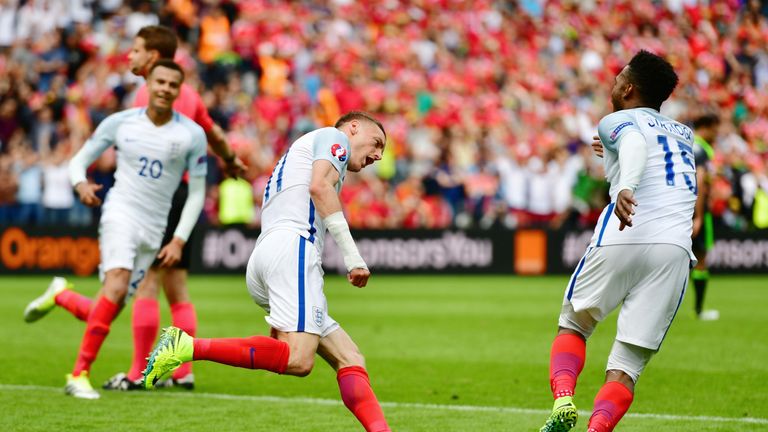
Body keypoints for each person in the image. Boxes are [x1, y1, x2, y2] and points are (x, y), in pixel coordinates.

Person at [142, 112, 391, 432]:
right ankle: (188, 347)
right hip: (292, 249)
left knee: (350, 358)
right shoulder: (335, 137)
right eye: (376, 143)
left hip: (267, 255)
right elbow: (319, 188)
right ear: (354, 128)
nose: (379, 155)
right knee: (299, 361)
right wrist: (353, 257)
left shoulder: (301, 151)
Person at [22, 60, 207, 399]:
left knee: (109, 304)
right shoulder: (120, 123)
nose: (165, 88)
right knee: (119, 283)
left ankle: (60, 294)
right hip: (120, 213)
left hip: (155, 230)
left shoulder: (191, 135)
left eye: (172, 84)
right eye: (160, 82)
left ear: (179, 89)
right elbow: (78, 160)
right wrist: (80, 184)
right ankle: (78, 375)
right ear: (147, 85)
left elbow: (197, 192)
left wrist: (178, 239)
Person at [539, 50, 696, 432]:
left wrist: (625, 185)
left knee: (573, 326)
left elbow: (636, 147)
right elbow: (653, 158)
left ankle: (563, 399)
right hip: (674, 249)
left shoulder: (618, 119)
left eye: (617, 78)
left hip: (624, 231)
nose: (611, 83)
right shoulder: (685, 134)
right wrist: (612, 157)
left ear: (628, 88)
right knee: (627, 365)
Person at [100, 25, 244, 391]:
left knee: (147, 284)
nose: (130, 56)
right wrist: (230, 160)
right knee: (178, 288)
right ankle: (182, 371)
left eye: (135, 51)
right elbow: (214, 133)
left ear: (152, 56)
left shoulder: (146, 99)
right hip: (185, 197)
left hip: (156, 197)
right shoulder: (190, 94)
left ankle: (137, 373)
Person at [691, 113, 720, 321]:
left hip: (685, 208)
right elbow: (700, 182)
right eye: (715, 128)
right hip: (697, 211)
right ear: (707, 127)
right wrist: (699, 216)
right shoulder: (700, 150)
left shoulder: (691, 145)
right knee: (700, 259)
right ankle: (700, 310)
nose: (717, 133)